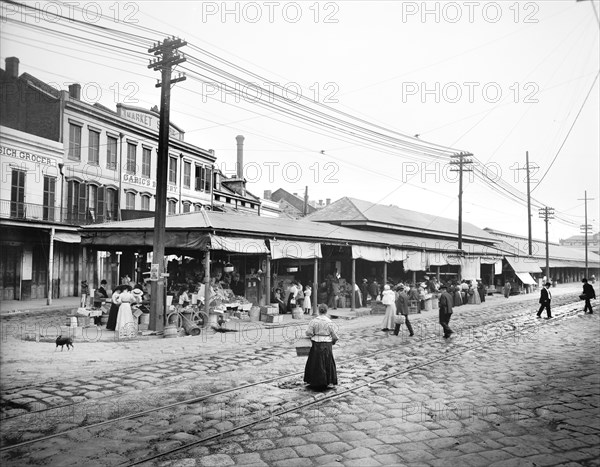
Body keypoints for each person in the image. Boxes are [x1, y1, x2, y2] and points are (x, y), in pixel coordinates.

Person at [304, 304, 338, 390]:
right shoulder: (329, 322)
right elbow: (334, 336)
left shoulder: (314, 321)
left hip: (316, 343)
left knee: (315, 362)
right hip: (327, 344)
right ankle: (328, 381)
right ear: (326, 311)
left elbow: (308, 332)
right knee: (327, 362)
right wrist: (333, 342)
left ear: (319, 311)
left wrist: (312, 334)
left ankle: (314, 382)